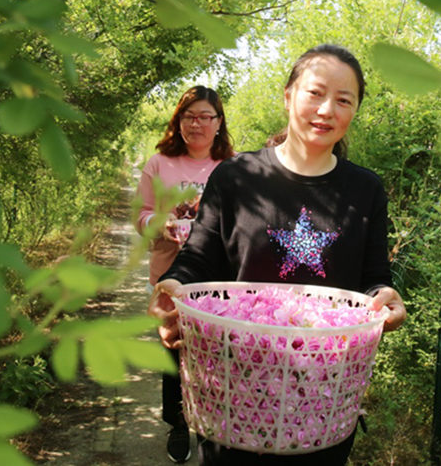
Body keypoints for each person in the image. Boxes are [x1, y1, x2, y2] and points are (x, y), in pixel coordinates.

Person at [147, 44, 407, 466]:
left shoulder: (365, 191)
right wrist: (174, 285)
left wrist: (387, 297)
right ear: (288, 96)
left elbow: (373, 277)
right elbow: (199, 255)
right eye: (315, 93)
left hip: (323, 404)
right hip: (235, 395)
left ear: (355, 110)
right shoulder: (236, 177)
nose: (327, 110)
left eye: (344, 100)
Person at [135, 85, 234, 464]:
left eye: (205, 116)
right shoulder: (159, 163)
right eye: (189, 116)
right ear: (178, 121)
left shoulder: (235, 166)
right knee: (175, 353)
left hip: (218, 281)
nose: (197, 124)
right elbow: (141, 216)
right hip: (169, 275)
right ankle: (178, 424)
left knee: (217, 356)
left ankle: (215, 425)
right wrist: (162, 224)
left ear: (219, 122)